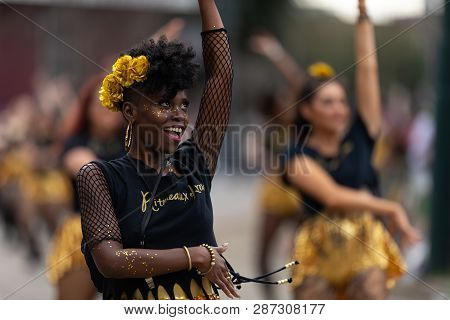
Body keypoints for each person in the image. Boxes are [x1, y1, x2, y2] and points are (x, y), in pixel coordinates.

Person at [77, 0, 238, 300]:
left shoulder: (195, 164)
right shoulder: (99, 176)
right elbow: (111, 261)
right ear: (130, 111)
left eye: (184, 105)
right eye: (165, 104)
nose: (179, 115)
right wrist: (196, 256)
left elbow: (221, 77)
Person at [282, 0, 421, 299]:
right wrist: (391, 207)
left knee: (369, 293)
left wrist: (362, 14)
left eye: (342, 101)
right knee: (313, 301)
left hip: (364, 239)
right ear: (306, 110)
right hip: (318, 248)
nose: (338, 109)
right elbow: (332, 196)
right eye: (327, 102)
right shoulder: (296, 157)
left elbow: (368, 68)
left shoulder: (361, 136)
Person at [249, 32, 304, 299]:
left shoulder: (295, 122)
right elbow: (259, 159)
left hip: (298, 191)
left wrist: (274, 51)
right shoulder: (268, 127)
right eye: (281, 99)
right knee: (261, 256)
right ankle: (273, 305)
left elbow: (297, 81)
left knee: (299, 254)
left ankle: (299, 300)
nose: (286, 100)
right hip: (274, 191)